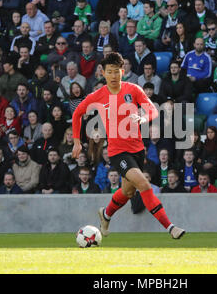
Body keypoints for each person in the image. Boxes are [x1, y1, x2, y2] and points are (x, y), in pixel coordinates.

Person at [72, 52, 185, 239]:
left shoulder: (133, 90)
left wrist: (142, 117)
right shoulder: (97, 96)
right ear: (103, 73)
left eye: (117, 72)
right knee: (143, 184)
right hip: (117, 152)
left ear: (122, 72)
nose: (114, 76)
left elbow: (152, 111)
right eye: (110, 72)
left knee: (127, 191)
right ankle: (170, 227)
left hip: (138, 150)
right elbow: (77, 114)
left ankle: (106, 214)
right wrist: (77, 141)